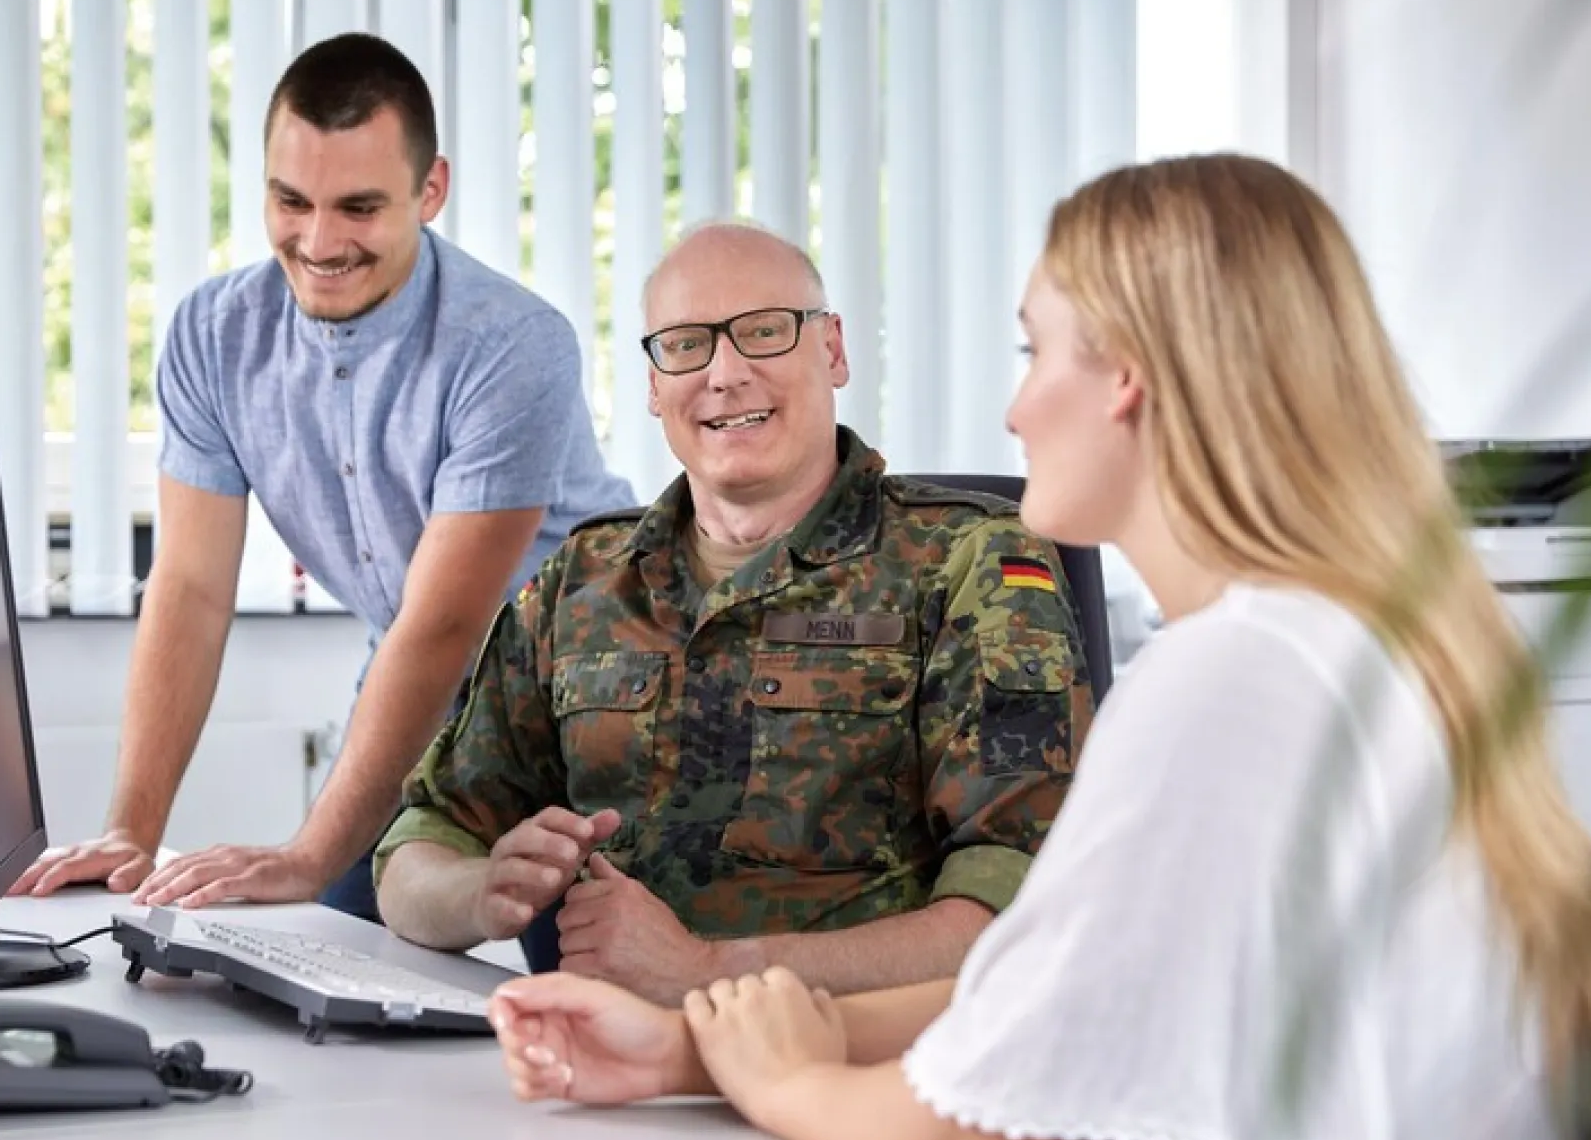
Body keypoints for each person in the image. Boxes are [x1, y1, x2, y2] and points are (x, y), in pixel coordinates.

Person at [484, 155, 1591, 1140]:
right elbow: (1039, 998)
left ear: (1128, 378)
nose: (1014, 412)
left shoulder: (1233, 687)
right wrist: (688, 1050)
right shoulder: (1343, 641)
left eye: (1035, 353)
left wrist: (781, 1083)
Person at [373, 221, 1093, 1005]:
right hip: (598, 1056)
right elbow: (416, 849)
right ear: (654, 386)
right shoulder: (580, 583)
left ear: (833, 350)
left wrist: (710, 970)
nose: (724, 373)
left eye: (764, 331)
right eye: (686, 344)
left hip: (850, 1059)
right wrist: (480, 893)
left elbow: (1021, 908)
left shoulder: (970, 562)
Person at [9, 33, 634, 920]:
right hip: (417, 674)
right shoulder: (214, 337)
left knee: (578, 970)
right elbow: (190, 590)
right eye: (291, 200)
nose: (319, 240)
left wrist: (307, 853)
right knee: (338, 943)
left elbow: (444, 624)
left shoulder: (512, 344)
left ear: (431, 190)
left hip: (589, 690)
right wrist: (130, 836)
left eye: (359, 207)